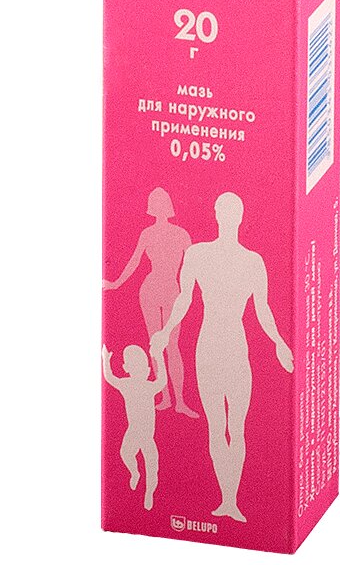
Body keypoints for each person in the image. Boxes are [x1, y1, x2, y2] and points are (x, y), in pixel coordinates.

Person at [151, 192, 293, 523]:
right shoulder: (198, 254)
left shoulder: (253, 261)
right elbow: (184, 299)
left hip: (235, 349)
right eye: (224, 211)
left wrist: (279, 343)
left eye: (232, 211)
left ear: (239, 217)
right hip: (209, 348)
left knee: (236, 427)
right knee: (218, 426)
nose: (228, 216)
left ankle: (232, 499)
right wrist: (166, 331)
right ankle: (227, 499)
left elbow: (263, 309)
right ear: (217, 215)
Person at [103, 188, 198, 417]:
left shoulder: (181, 235)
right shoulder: (150, 234)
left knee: (171, 345)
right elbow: (134, 262)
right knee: (157, 346)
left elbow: (193, 266)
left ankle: (179, 400)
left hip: (172, 291)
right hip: (152, 291)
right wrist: (116, 283)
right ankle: (166, 397)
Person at [102, 343, 166, 511]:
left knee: (152, 466)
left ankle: (149, 492)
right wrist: (105, 360)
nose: (140, 369)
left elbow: (162, 381)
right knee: (125, 453)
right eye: (134, 365)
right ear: (126, 368)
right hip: (133, 432)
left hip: (147, 436)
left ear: (148, 369)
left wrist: (160, 358)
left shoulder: (149, 387)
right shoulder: (126, 385)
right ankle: (135, 472)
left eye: (143, 365)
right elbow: (110, 378)